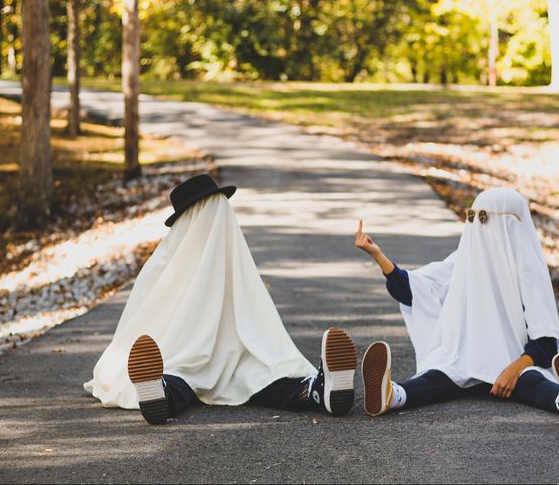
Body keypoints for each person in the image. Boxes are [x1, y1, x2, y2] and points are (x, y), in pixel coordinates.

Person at [84, 174, 358, 425]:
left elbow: (140, 316)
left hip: (184, 356)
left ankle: (162, 392)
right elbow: (259, 317)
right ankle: (314, 391)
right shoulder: (234, 254)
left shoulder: (167, 260)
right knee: (265, 377)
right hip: (238, 357)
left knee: (183, 376)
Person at [354, 187, 559, 422]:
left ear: (510, 224)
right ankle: (394, 395)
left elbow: (545, 341)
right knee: (437, 375)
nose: (477, 227)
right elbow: (413, 291)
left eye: (483, 218)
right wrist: (378, 255)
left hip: (515, 359)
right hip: (465, 357)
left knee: (531, 382)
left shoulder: (528, 270)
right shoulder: (464, 260)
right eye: (472, 217)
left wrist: (513, 369)